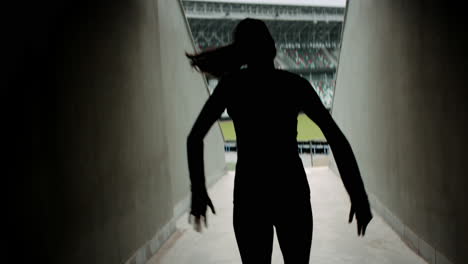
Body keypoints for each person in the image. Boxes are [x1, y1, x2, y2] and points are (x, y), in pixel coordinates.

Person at [186, 18, 372, 264]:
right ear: (271, 46)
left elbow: (194, 137)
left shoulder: (231, 86)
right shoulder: (295, 85)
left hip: (250, 194)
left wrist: (198, 190)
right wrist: (357, 193)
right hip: (291, 192)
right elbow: (336, 139)